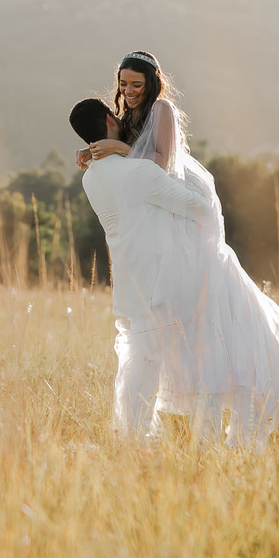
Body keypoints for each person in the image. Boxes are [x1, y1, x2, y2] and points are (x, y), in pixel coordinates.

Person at [79, 51, 279, 449]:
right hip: (161, 200)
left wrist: (117, 150)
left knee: (210, 319)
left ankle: (228, 423)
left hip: (183, 192)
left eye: (136, 85)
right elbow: (129, 167)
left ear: (153, 82)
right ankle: (199, 430)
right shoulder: (125, 116)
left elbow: (158, 165)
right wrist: (99, 149)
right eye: (123, 84)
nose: (128, 92)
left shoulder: (161, 109)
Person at [68, 98, 217, 440]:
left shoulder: (90, 177)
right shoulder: (141, 170)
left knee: (141, 364)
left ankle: (133, 435)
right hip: (166, 279)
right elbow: (200, 209)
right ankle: (206, 440)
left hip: (128, 280)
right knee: (196, 358)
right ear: (110, 119)